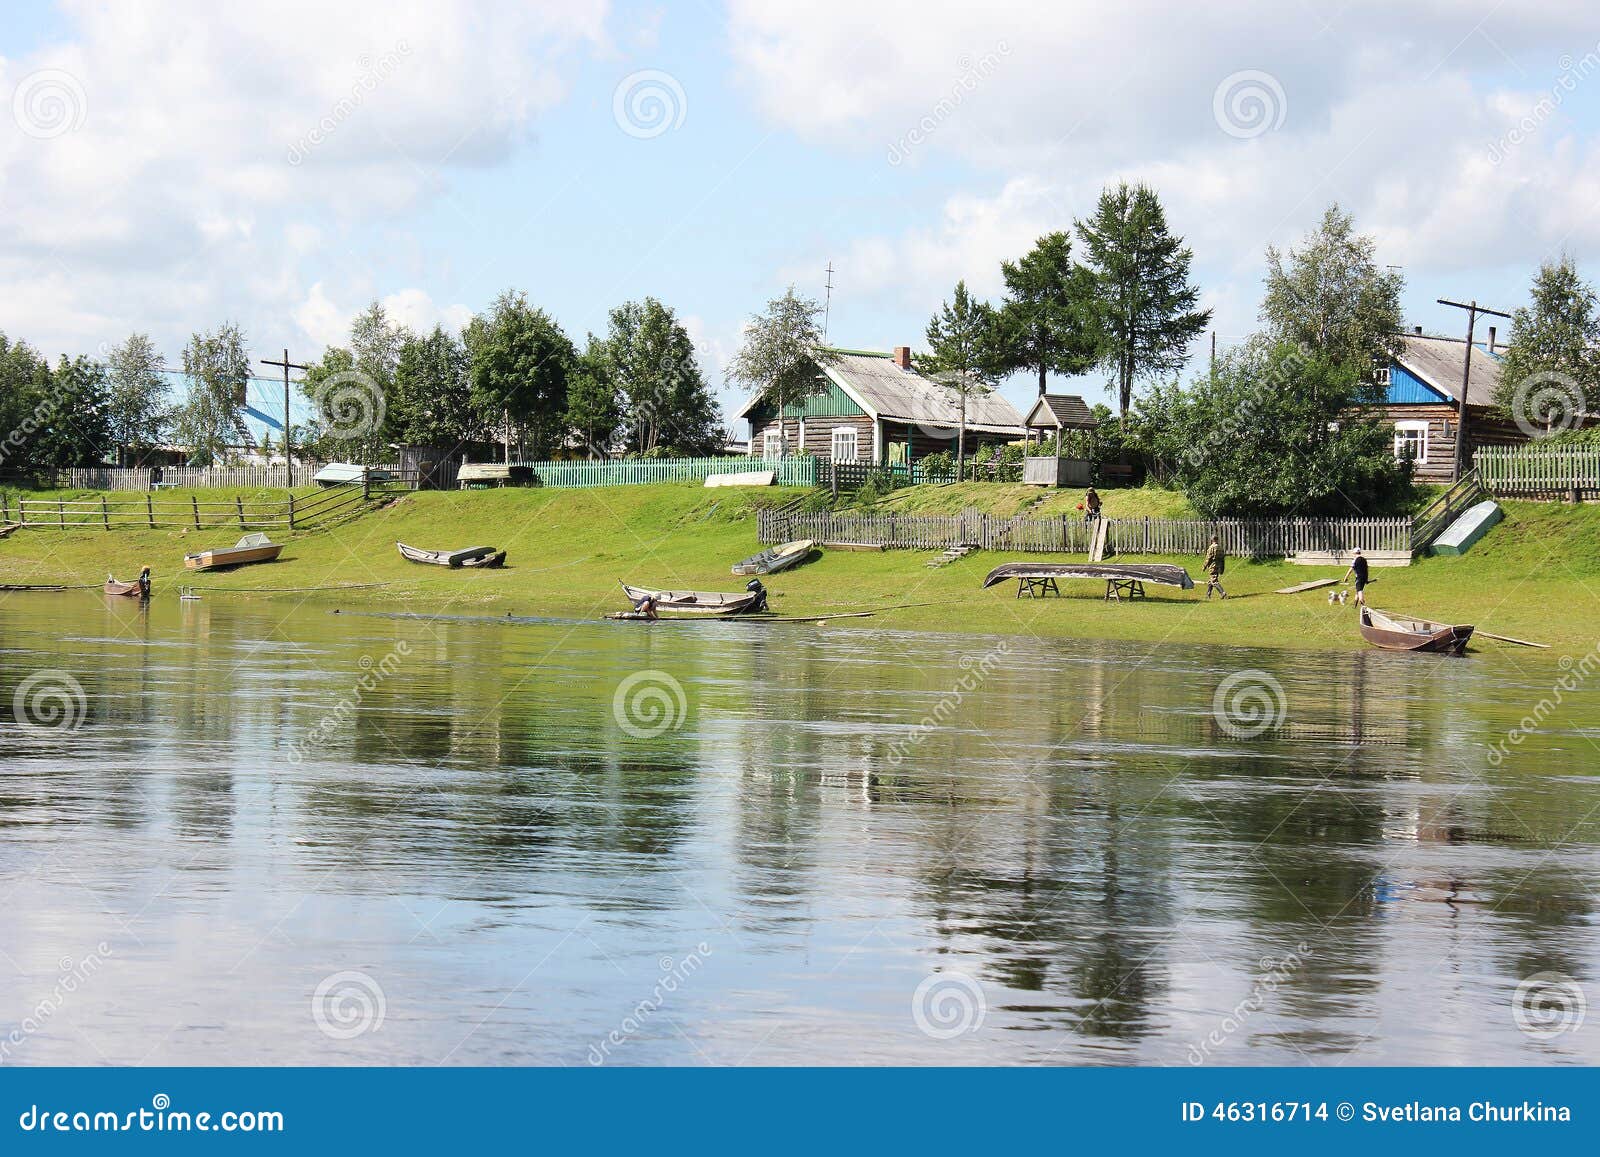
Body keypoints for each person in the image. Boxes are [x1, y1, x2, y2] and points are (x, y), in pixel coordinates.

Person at [1203, 535, 1227, 600]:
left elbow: (1208, 558)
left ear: (1212, 540)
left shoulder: (1212, 547)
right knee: (1211, 580)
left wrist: (1204, 566)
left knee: (1214, 580)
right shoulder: (1220, 548)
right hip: (1219, 565)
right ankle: (1208, 594)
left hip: (1213, 565)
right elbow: (1223, 559)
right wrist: (1222, 567)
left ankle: (1223, 593)